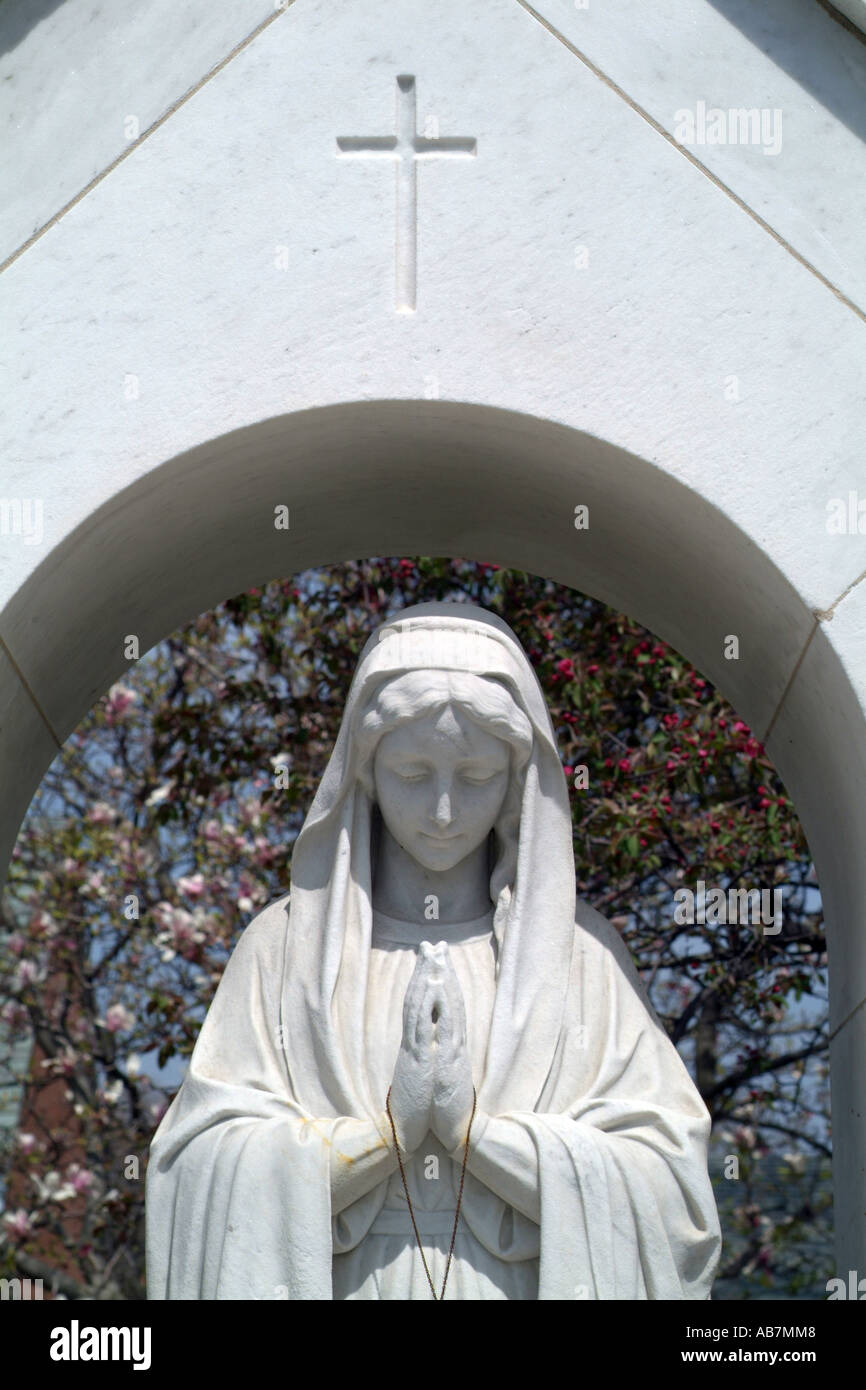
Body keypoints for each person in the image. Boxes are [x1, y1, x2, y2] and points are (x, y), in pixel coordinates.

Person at [146, 601, 721, 1299]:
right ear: (365, 770)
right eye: (414, 774)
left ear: (515, 784)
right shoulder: (285, 951)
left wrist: (471, 1134)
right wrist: (389, 1136)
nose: (444, 812)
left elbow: (668, 1188)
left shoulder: (580, 962)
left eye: (475, 778)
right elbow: (196, 1165)